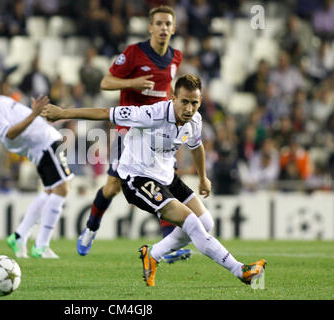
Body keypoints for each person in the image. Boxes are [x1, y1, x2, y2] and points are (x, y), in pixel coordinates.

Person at [41, 74, 266, 287]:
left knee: (206, 222)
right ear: (173, 98)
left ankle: (154, 255)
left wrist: (203, 177)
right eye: (184, 102)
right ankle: (241, 271)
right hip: (137, 178)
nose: (189, 109)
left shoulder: (195, 120)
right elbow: (104, 112)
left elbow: (196, 147)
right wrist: (62, 113)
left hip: (167, 176)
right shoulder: (150, 114)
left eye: (195, 103)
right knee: (192, 224)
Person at [77, 5, 186, 261]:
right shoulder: (134, 53)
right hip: (130, 130)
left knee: (164, 181)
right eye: (158, 23)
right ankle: (91, 229)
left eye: (167, 24)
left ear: (173, 28)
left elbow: (166, 88)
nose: (163, 28)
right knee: (113, 187)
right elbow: (105, 82)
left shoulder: (175, 57)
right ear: (150, 27)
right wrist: (132, 83)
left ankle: (166, 247)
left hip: (158, 132)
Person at [0, 65, 73, 259]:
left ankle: (20, 236)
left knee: (51, 191)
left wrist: (38, 117)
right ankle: (42, 246)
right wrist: (34, 114)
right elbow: (8, 134)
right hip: (42, 144)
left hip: (43, 141)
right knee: (62, 189)